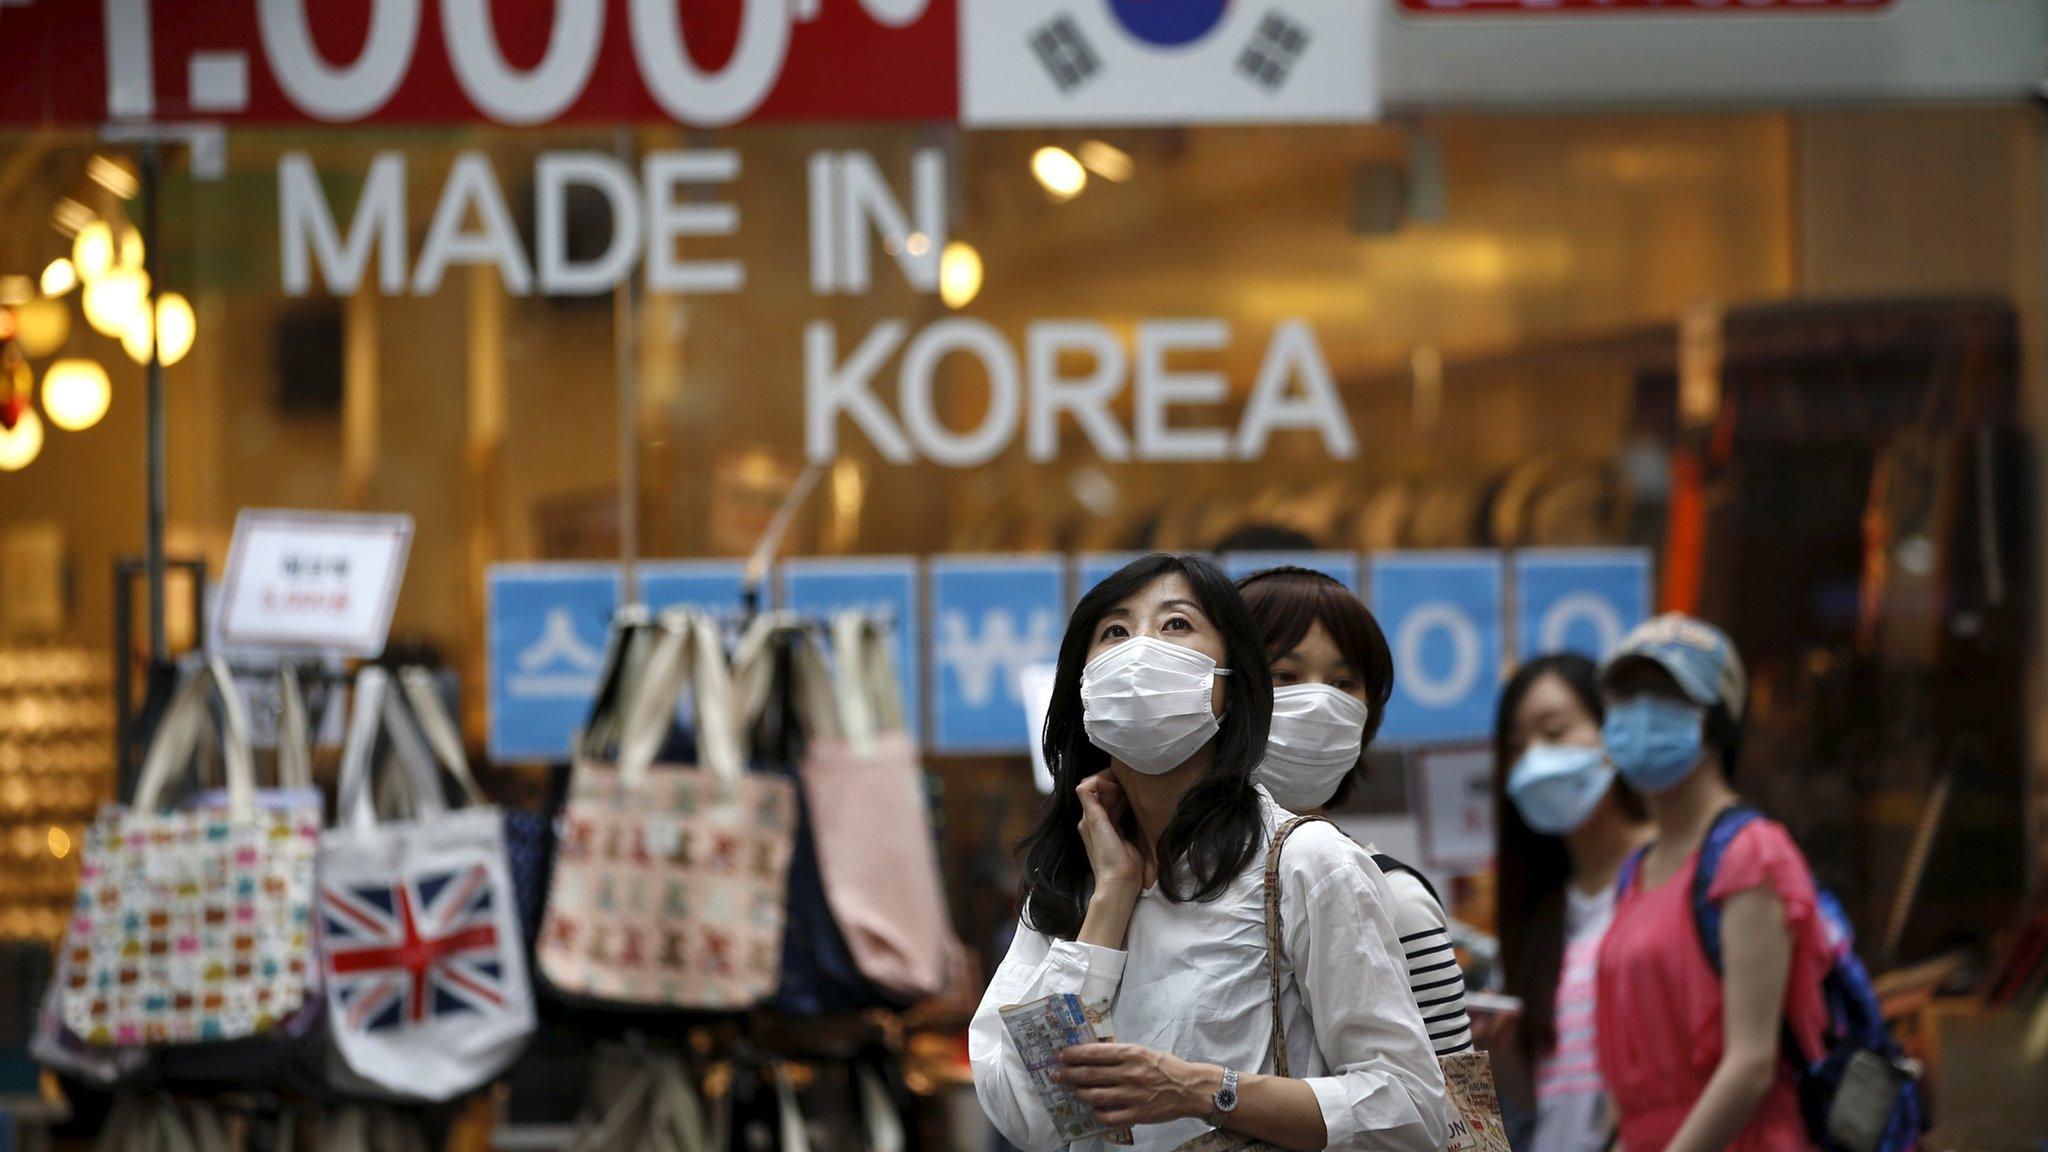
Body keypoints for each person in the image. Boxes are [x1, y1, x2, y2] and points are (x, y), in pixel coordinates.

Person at [970, 554, 1449, 1152]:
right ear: (1083, 686)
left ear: (1231, 683)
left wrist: (1201, 1090)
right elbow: (1032, 1116)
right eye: (1114, 632)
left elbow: (1412, 1109)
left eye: (1175, 624)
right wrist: (1110, 902)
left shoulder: (1304, 862)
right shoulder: (1071, 877)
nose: (1140, 651)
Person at [1593, 615, 1832, 1152]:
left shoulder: (1752, 853)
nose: (1638, 714)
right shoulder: (1637, 868)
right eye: (1624, 696)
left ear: (1717, 719)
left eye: (1664, 694)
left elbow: (1751, 1064)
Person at [1237, 566, 1476, 1059]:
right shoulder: (1154, 881)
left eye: (1344, 682)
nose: (1320, 701)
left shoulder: (1394, 901)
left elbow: (1456, 1117)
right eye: (1285, 675)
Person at [1490, 653, 1650, 1152]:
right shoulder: (1540, 911)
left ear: (1613, 732)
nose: (1535, 760)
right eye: (1517, 747)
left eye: (1555, 732)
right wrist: (1495, 1046)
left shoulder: (1671, 871)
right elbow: (1545, 1100)